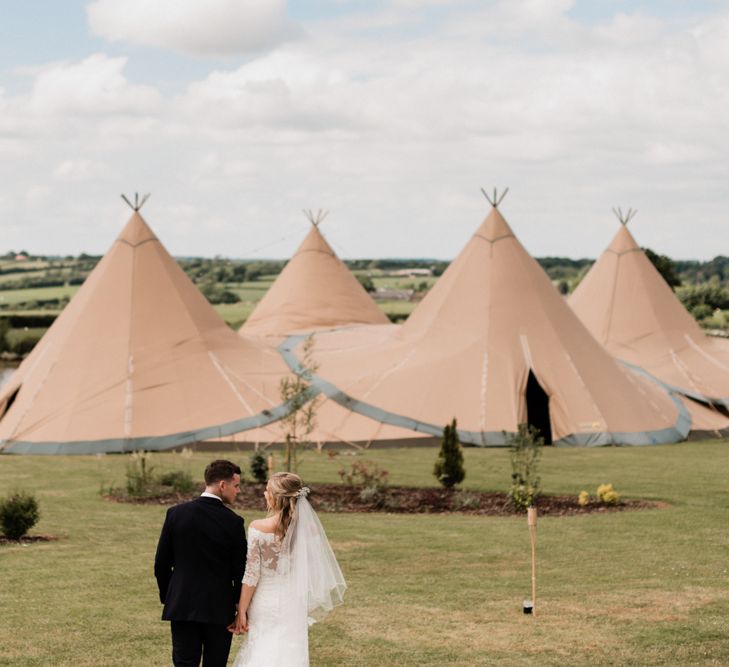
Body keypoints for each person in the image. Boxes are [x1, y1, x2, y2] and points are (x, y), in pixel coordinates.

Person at [230, 472, 346, 667]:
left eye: (267, 491)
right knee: (290, 650)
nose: (264, 494)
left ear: (276, 497)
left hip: (265, 601)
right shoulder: (310, 530)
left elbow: (251, 574)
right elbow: (312, 567)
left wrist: (241, 610)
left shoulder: (258, 528)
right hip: (294, 602)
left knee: (262, 649)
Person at [155, 459, 246, 667]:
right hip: (218, 608)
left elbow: (161, 564)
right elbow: (239, 571)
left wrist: (169, 596)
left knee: (184, 663)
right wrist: (237, 605)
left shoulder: (176, 514)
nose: (238, 491)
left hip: (181, 604)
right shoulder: (234, 522)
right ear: (222, 485)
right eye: (236, 485)